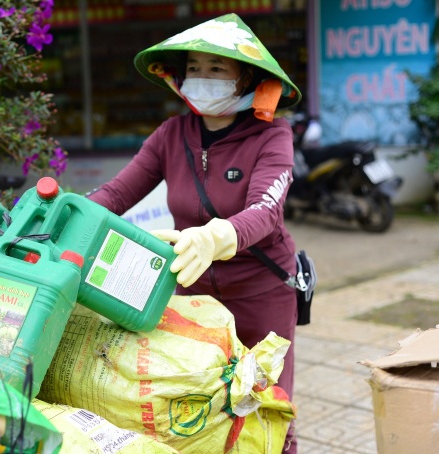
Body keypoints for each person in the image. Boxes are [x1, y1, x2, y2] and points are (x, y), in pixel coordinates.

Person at [86, 13, 302, 452]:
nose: (201, 78)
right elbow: (115, 193)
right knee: (199, 401)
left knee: (265, 404)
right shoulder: (171, 134)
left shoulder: (272, 134)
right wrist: (62, 214)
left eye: (217, 69)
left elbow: (265, 211)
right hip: (194, 292)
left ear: (246, 79)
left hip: (261, 290)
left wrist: (213, 237)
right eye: (194, 69)